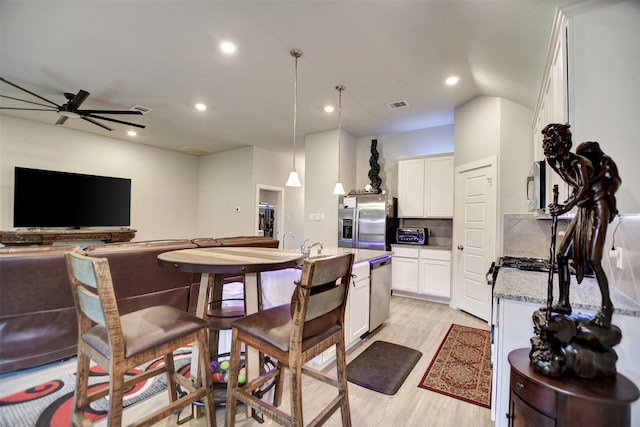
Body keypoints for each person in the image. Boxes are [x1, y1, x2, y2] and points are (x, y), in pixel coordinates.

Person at [541, 123, 621, 328]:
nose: (547, 143)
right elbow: (577, 188)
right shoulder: (554, 162)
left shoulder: (578, 162)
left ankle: (607, 307)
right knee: (560, 255)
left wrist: (563, 207)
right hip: (583, 208)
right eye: (546, 140)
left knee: (594, 259)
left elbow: (584, 188)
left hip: (597, 205)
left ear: (565, 142)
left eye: (552, 139)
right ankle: (564, 303)